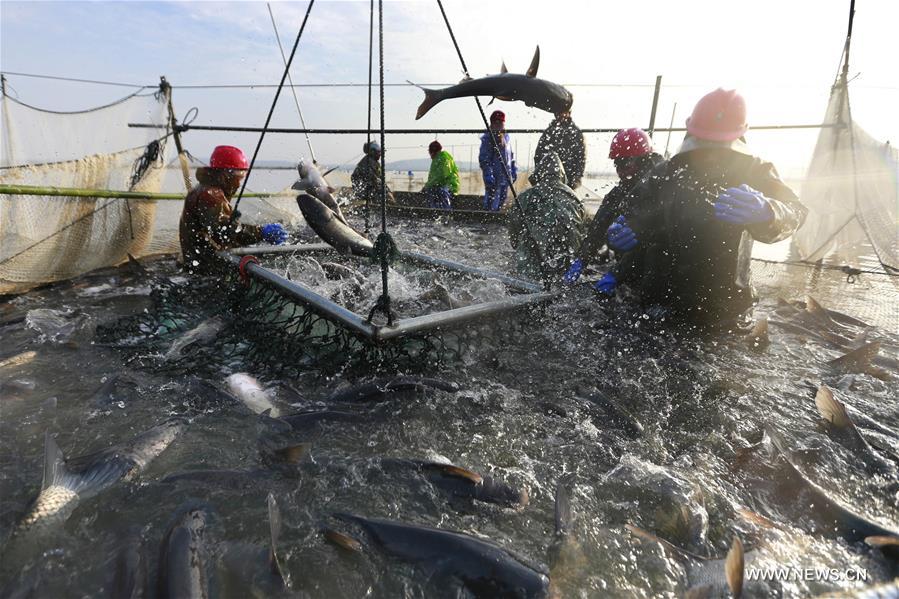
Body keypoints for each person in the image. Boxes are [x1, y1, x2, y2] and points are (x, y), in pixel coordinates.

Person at [598, 89, 807, 328]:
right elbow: (634, 213)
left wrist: (770, 212)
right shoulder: (667, 172)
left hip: (725, 308)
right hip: (659, 300)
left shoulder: (754, 171)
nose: (709, 153)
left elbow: (797, 211)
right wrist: (619, 233)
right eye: (703, 141)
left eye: (717, 144)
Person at [563, 128, 664, 284]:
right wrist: (580, 261)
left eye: (625, 164)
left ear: (644, 160)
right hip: (628, 268)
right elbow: (597, 230)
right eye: (617, 164)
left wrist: (617, 274)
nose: (620, 171)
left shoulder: (663, 189)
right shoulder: (620, 193)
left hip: (661, 271)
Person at [179, 145, 287, 275]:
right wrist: (261, 232)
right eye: (239, 177)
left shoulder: (205, 190)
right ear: (226, 174)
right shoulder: (210, 195)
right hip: (204, 269)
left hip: (198, 261)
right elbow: (223, 231)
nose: (239, 183)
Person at [508, 152, 586, 281]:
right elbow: (579, 236)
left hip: (530, 269)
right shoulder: (576, 200)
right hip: (567, 271)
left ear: (539, 173)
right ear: (562, 176)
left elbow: (514, 237)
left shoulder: (525, 197)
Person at [534, 111, 586, 190]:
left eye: (562, 112)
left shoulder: (576, 133)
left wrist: (576, 180)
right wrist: (540, 177)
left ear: (568, 113)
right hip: (549, 179)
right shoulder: (549, 132)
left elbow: (581, 158)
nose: (560, 115)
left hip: (569, 179)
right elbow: (538, 156)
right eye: (558, 112)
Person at [479, 110, 517, 211]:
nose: (498, 125)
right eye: (496, 122)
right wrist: (488, 174)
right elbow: (484, 159)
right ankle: (488, 221)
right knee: (491, 202)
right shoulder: (488, 139)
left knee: (502, 200)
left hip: (505, 177)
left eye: (501, 122)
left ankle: (495, 221)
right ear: (491, 124)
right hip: (494, 178)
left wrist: (513, 170)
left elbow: (511, 157)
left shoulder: (506, 139)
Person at [351, 141, 394, 207]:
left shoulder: (375, 163)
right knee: (385, 198)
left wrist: (388, 191)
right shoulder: (367, 163)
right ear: (373, 152)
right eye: (378, 152)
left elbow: (380, 179)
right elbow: (375, 179)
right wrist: (387, 192)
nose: (380, 154)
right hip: (363, 193)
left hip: (369, 190)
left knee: (387, 196)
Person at [421, 140, 460, 210]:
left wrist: (427, 186)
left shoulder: (444, 158)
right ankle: (433, 211)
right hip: (440, 185)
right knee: (431, 191)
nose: (429, 154)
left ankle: (446, 212)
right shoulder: (436, 159)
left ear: (432, 151)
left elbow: (442, 176)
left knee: (439, 191)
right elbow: (432, 178)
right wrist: (426, 186)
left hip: (449, 186)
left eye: (429, 151)